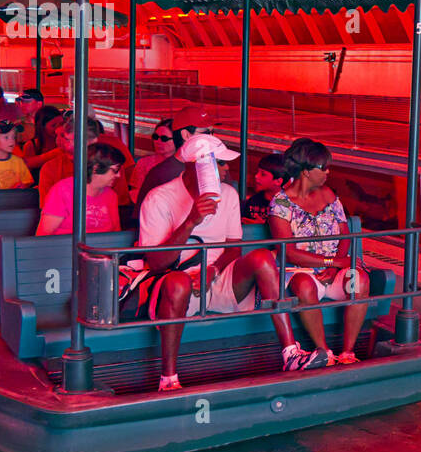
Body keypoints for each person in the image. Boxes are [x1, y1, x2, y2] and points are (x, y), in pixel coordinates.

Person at [132, 133, 323, 392]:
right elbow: (155, 264)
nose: (226, 169)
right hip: (175, 280)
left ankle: (290, 353)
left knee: (262, 257)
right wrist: (191, 221)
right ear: (196, 167)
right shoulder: (159, 198)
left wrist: (214, 269)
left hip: (218, 277)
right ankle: (169, 379)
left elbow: (233, 246)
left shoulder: (229, 195)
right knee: (177, 282)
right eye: (220, 164)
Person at [267, 138, 370, 367]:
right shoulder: (280, 205)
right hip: (302, 271)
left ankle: (347, 353)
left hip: (333, 269)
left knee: (358, 280)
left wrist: (337, 265)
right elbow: (289, 253)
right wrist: (332, 262)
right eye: (322, 167)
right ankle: (324, 352)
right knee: (304, 285)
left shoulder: (328, 194)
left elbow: (345, 233)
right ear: (305, 172)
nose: (327, 172)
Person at [39, 114, 132, 208]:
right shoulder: (51, 168)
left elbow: (121, 207)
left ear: (94, 141)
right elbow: (48, 211)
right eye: (66, 139)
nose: (68, 146)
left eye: (77, 141)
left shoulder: (112, 168)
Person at [37, 143, 123, 235]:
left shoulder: (111, 195)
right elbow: (44, 235)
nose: (118, 175)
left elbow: (116, 233)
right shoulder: (62, 191)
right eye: (115, 170)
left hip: (100, 247)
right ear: (96, 168)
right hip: (66, 248)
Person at [136, 105, 214, 207]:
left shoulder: (212, 165)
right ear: (186, 135)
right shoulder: (161, 174)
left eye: (213, 132)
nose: (212, 138)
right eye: (207, 133)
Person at [129, 119, 176, 203]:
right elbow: (135, 193)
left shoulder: (186, 165)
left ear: (177, 140)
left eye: (164, 138)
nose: (157, 142)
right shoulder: (143, 163)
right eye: (155, 137)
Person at [242, 153, 287, 224]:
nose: (256, 176)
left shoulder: (287, 203)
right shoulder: (253, 201)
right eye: (257, 172)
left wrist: (263, 226)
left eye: (263, 174)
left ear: (278, 181)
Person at [23, 105, 64, 174]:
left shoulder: (65, 142)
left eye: (61, 124)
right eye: (53, 125)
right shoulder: (31, 146)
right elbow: (27, 171)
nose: (58, 128)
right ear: (42, 127)